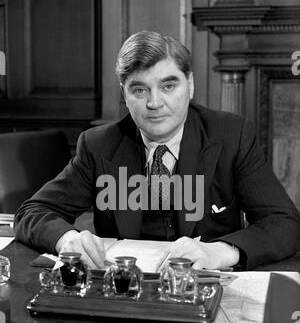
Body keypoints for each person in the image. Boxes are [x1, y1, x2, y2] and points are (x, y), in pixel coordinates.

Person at [14, 30, 300, 270]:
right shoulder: (99, 145)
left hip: (205, 287)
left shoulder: (231, 136)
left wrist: (222, 252)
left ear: (190, 85)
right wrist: (66, 238)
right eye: (139, 90)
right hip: (127, 293)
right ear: (125, 95)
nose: (154, 103)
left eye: (168, 86)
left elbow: (284, 223)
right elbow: (33, 211)